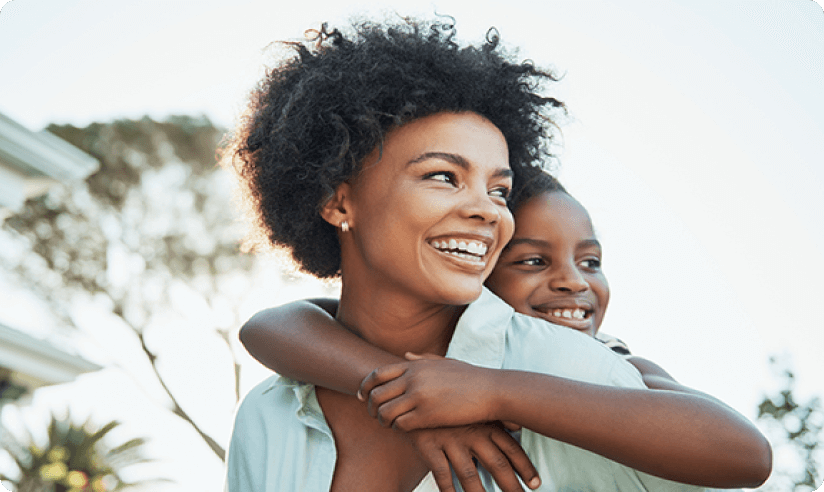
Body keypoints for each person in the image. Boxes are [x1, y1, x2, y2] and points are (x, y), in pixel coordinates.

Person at [224, 17, 770, 492]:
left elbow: (743, 456)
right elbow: (271, 326)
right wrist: (410, 400)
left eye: (500, 190)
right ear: (336, 199)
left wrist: (492, 394)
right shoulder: (269, 418)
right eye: (444, 176)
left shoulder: (564, 368)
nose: (488, 211)